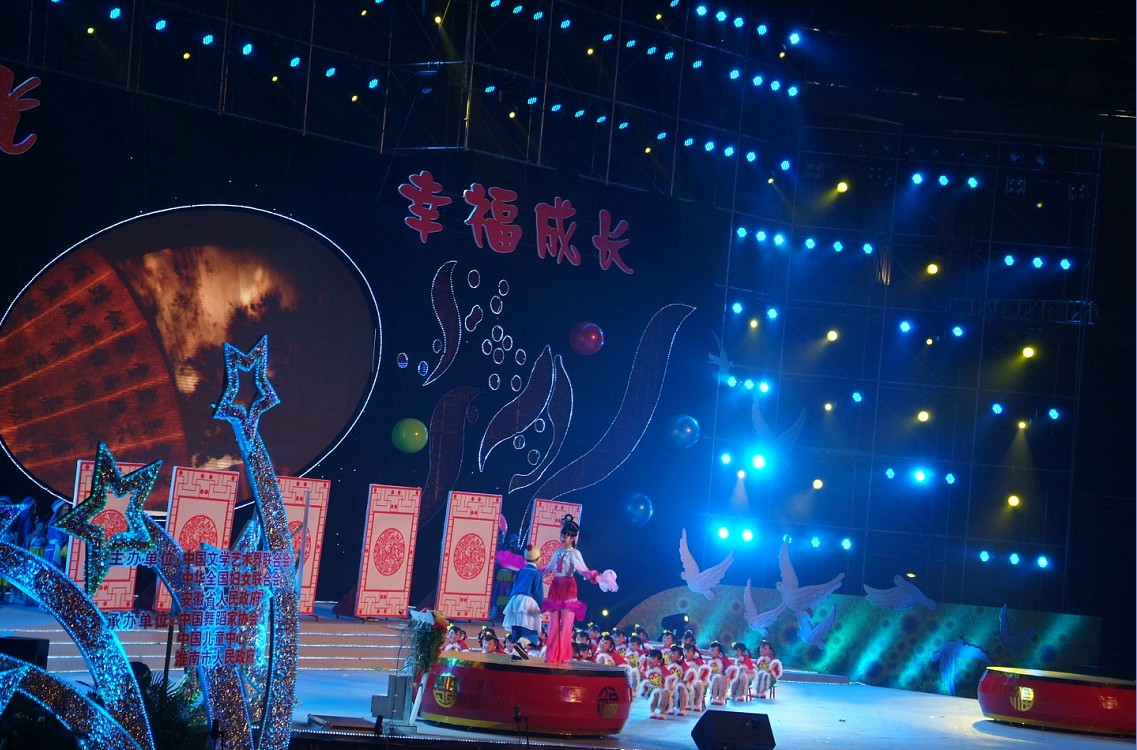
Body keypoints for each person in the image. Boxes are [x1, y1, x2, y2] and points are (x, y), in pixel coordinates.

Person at [539, 514, 617, 663]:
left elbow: (583, 570)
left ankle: (563, 656)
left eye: (567, 536)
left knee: (566, 625)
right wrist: (532, 572)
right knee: (553, 624)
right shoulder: (557, 552)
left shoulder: (575, 553)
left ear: (573, 538)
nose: (563, 538)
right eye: (562, 535)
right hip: (556, 587)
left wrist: (596, 577)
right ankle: (551, 655)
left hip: (568, 588)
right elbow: (548, 568)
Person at [501, 545, 544, 659]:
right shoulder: (536, 574)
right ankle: (519, 648)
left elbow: (515, 586)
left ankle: (517, 654)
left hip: (514, 601)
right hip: (527, 602)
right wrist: (540, 607)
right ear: (538, 559)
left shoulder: (520, 571)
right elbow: (537, 592)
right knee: (530, 631)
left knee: (517, 629)